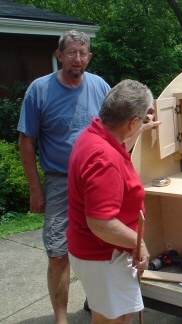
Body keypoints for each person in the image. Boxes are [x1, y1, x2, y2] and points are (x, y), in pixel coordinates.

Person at [17, 30, 111, 323]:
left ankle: (95, 301)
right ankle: (61, 318)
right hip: (60, 181)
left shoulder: (100, 86)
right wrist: (36, 189)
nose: (78, 59)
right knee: (58, 251)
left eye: (83, 54)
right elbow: (26, 141)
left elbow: (116, 127)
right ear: (60, 56)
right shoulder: (39, 90)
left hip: (97, 179)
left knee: (102, 242)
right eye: (72, 53)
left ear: (90, 57)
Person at [67, 79, 159, 323]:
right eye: (140, 120)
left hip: (95, 253)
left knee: (116, 317)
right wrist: (139, 244)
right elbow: (101, 223)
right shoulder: (104, 159)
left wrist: (143, 127)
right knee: (113, 321)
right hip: (103, 257)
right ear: (131, 122)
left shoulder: (95, 134)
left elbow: (120, 140)